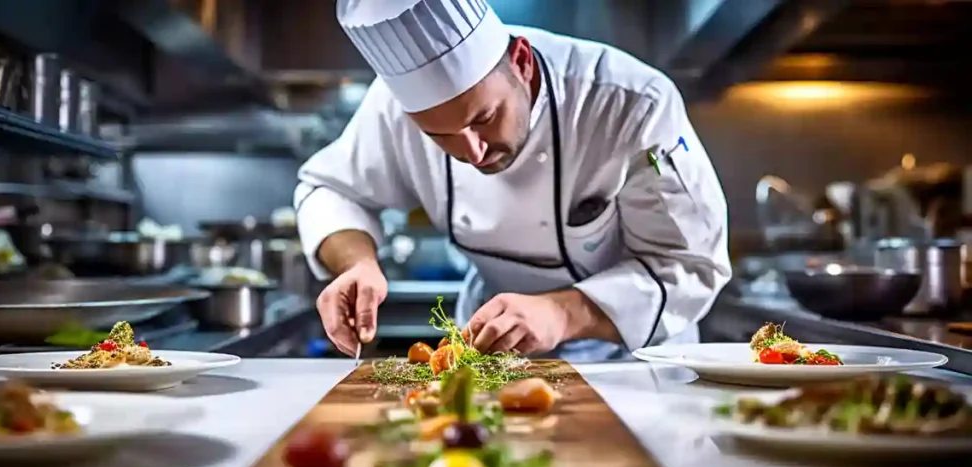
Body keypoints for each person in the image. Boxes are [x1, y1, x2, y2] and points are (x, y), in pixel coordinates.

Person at [294, 0, 732, 363]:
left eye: (483, 118)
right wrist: (357, 264)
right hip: (491, 354)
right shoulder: (390, 110)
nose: (473, 152)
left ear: (521, 62)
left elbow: (691, 265)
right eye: (439, 136)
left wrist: (561, 314)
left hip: (635, 363)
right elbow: (331, 191)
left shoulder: (630, 104)